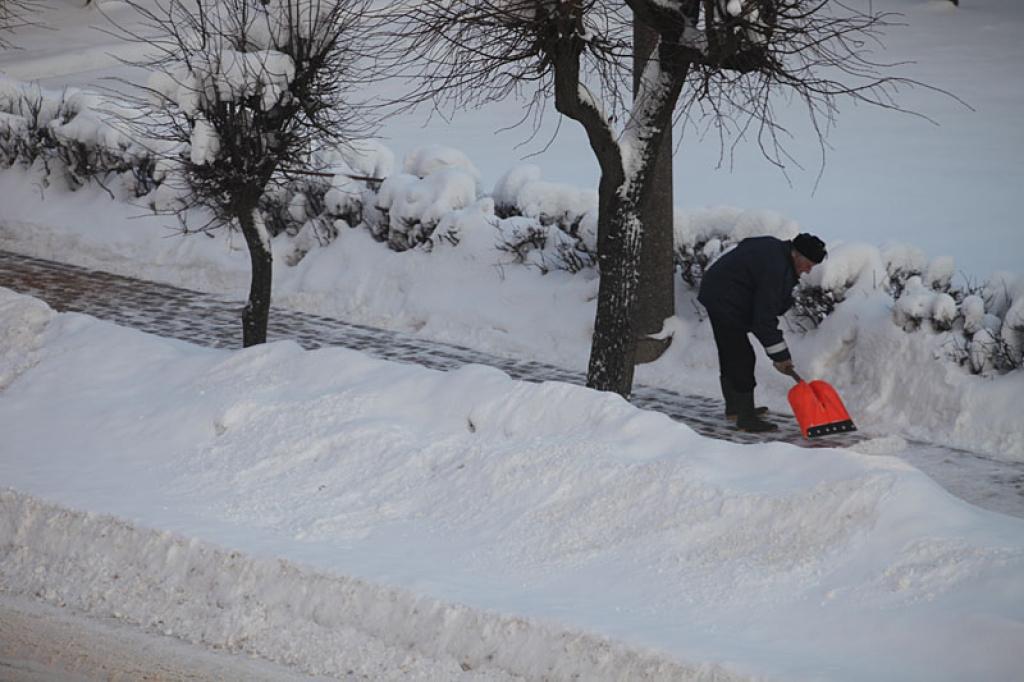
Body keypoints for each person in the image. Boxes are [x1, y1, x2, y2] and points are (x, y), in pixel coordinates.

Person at [697, 232, 827, 432]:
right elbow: (763, 319)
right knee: (741, 357)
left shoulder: (777, 251)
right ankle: (746, 417)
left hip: (722, 292)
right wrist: (781, 356)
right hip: (725, 300)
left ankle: (735, 408)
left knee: (731, 352)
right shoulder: (775, 268)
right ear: (796, 255)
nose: (808, 271)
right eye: (808, 264)